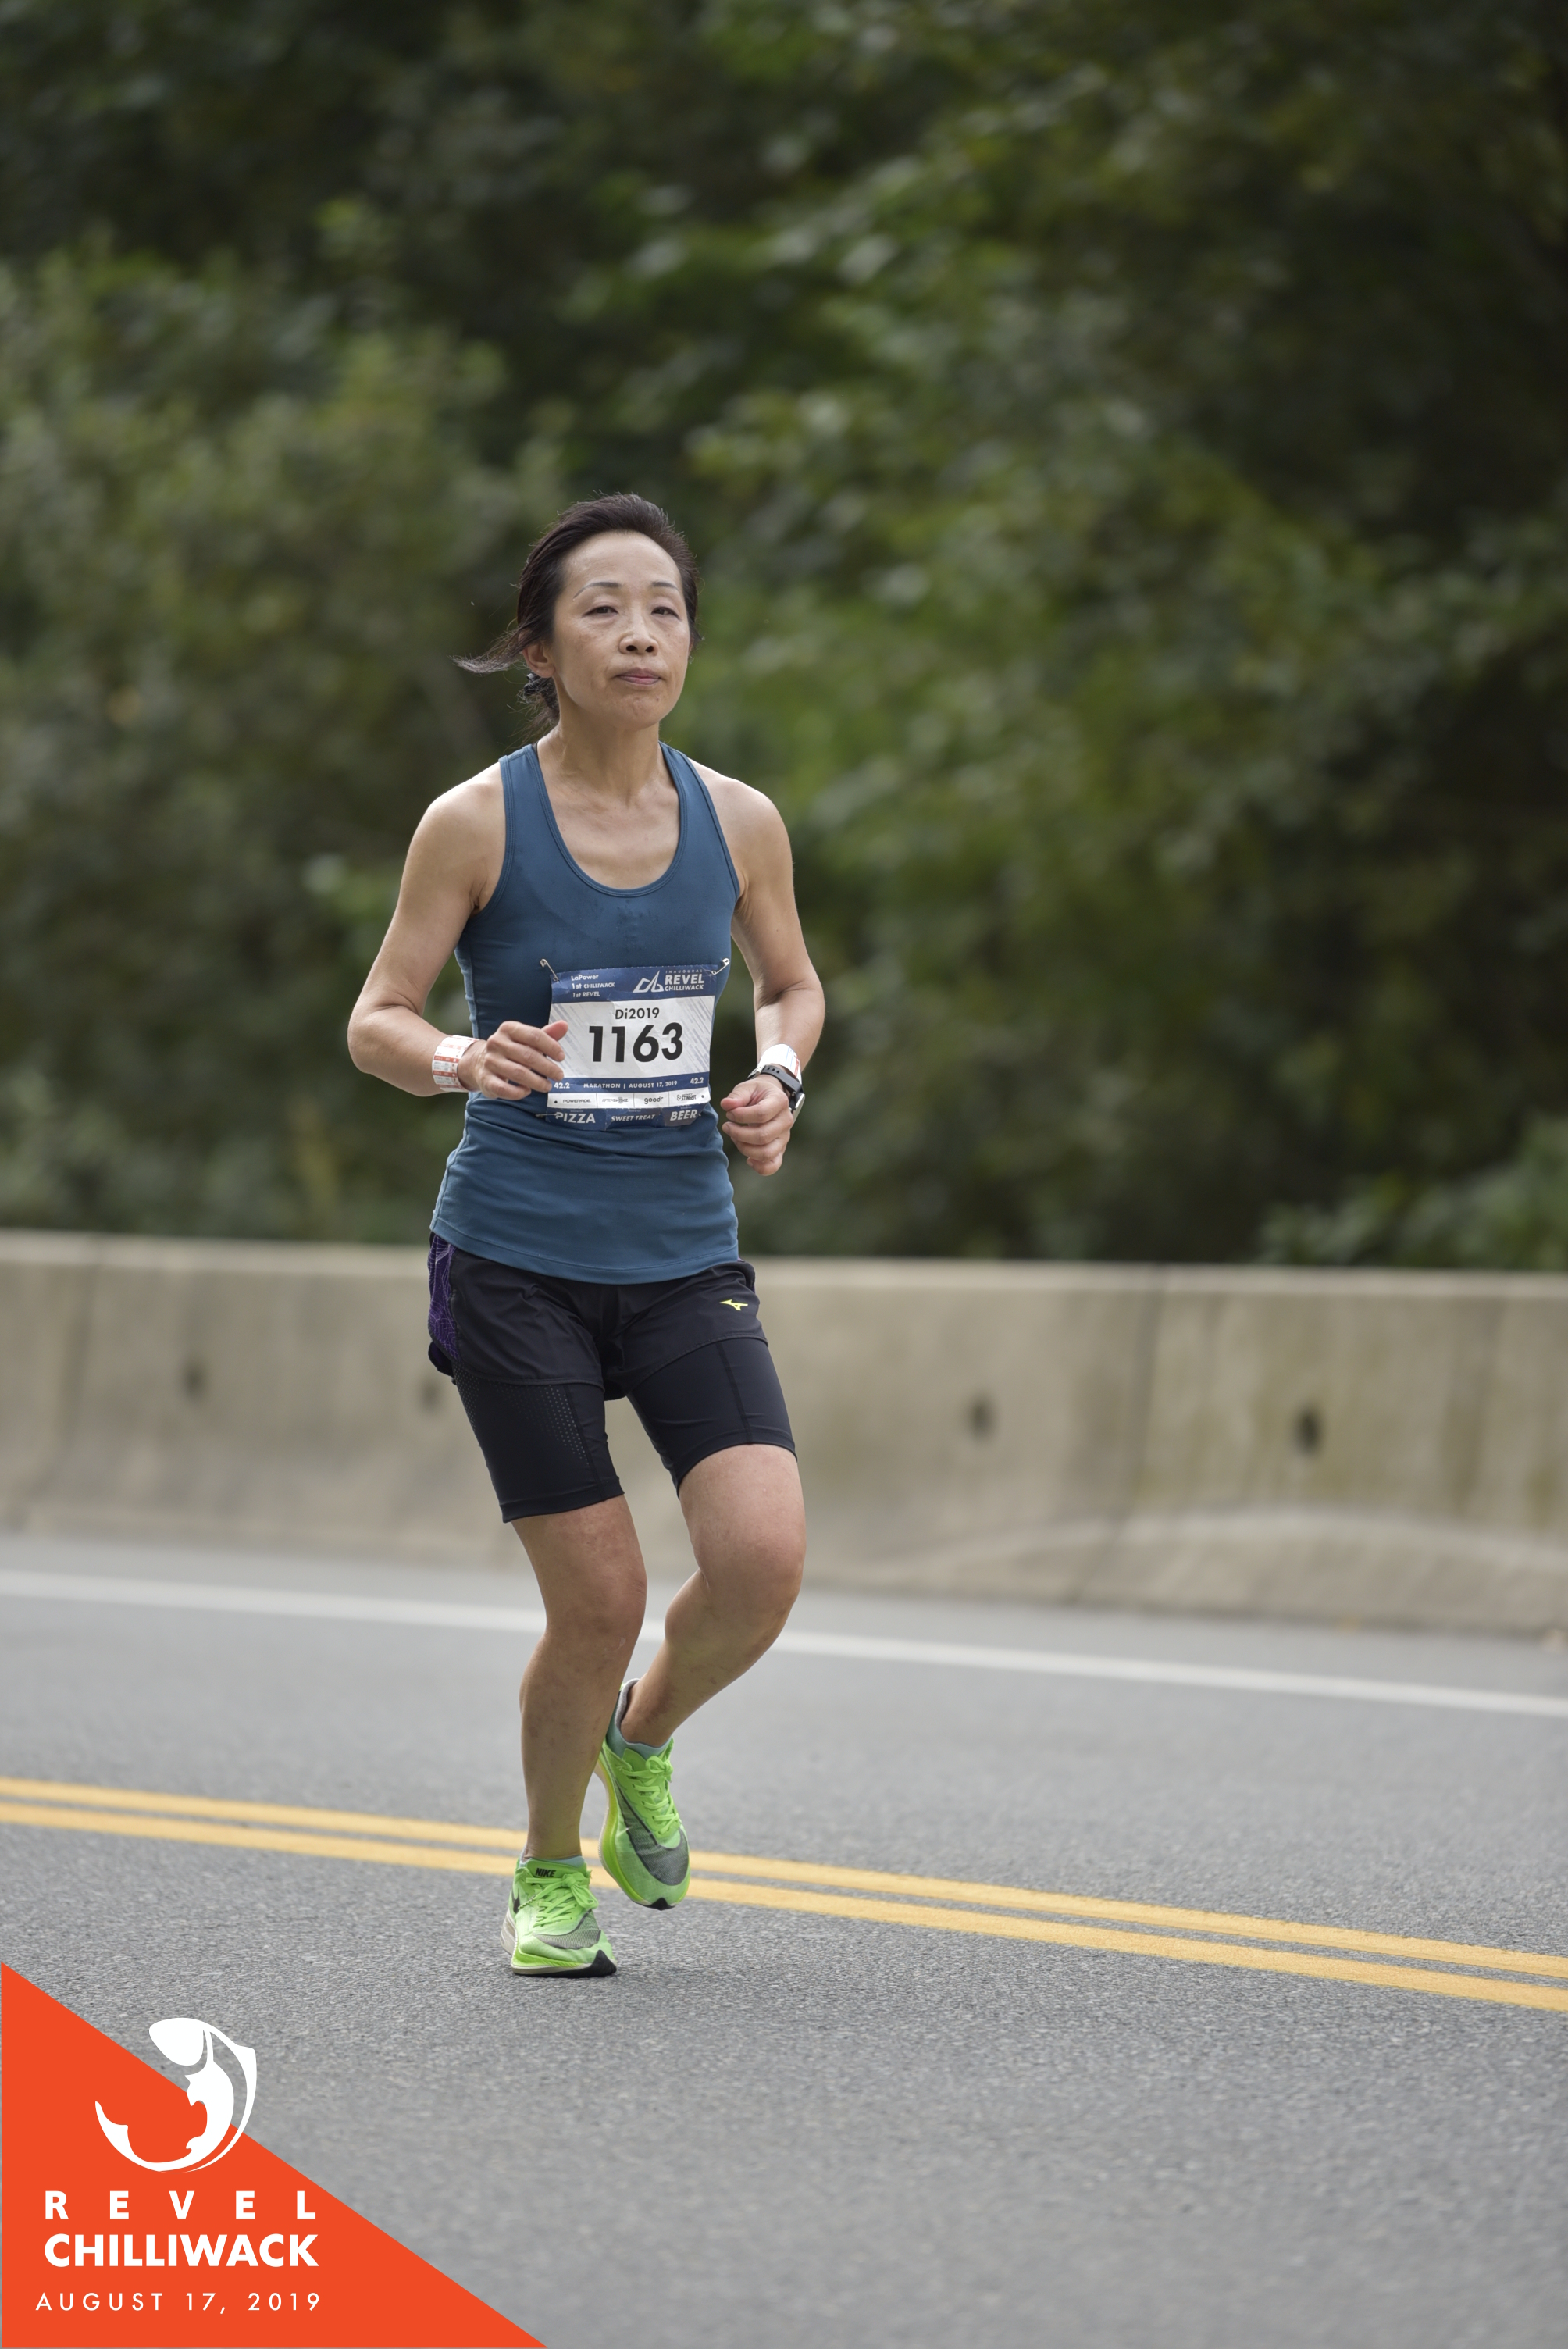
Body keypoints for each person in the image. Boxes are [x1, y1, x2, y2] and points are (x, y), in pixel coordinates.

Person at [347, 493, 823, 1977]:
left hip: (682, 1252)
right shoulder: (476, 822)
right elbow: (376, 1018)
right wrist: (459, 1057)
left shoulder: (738, 821)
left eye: (665, 607)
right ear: (543, 650)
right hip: (515, 1263)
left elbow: (794, 987)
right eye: (603, 608)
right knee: (603, 1598)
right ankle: (550, 1871)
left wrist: (778, 1077)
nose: (641, 632)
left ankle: (643, 1740)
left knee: (762, 1560)